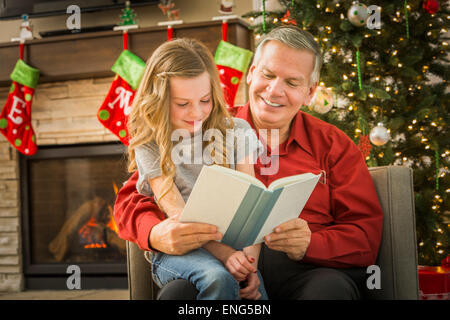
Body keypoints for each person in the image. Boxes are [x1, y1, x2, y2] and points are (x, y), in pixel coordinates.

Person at [114, 26, 384, 300]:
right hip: (215, 260)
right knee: (179, 294)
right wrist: (155, 233)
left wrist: (311, 244)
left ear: (310, 92)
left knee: (329, 291)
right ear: (252, 73)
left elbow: (365, 236)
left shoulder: (334, 145)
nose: (275, 90)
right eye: (267, 75)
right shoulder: (200, 126)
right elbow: (130, 201)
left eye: (292, 83)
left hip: (305, 273)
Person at [125, 38, 268, 300]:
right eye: (182, 104)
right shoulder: (150, 145)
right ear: (158, 100)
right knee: (218, 279)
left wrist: (249, 263)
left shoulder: (237, 131)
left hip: (236, 246)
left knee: (253, 296)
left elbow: (252, 207)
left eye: (205, 100)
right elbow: (181, 217)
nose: (196, 113)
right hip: (179, 251)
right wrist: (227, 255)